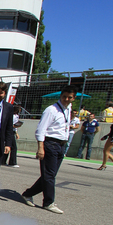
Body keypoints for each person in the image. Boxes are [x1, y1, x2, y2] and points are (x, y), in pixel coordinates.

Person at [21, 85, 77, 214]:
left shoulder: (68, 109)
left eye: (69, 97)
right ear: (60, 96)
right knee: (49, 176)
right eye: (64, 97)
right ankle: (48, 202)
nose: (66, 99)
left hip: (61, 144)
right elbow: (40, 130)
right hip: (50, 144)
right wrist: (40, 148)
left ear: (73, 98)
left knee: (48, 175)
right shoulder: (51, 110)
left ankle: (27, 194)